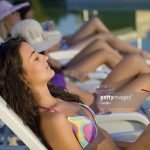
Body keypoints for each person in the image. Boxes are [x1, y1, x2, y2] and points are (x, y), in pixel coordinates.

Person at [0, 37, 150, 150]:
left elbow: (104, 139)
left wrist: (135, 145)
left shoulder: (58, 98)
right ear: (20, 77)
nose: (45, 57)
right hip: (112, 120)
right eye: (36, 57)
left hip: (119, 137)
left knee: (133, 60)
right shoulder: (53, 119)